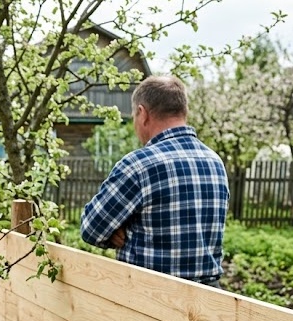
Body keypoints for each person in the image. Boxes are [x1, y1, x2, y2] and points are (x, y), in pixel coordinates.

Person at [80, 75, 229, 288]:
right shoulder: (215, 163)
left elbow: (91, 228)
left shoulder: (139, 164)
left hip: (151, 300)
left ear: (142, 113)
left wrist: (117, 229)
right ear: (183, 111)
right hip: (208, 301)